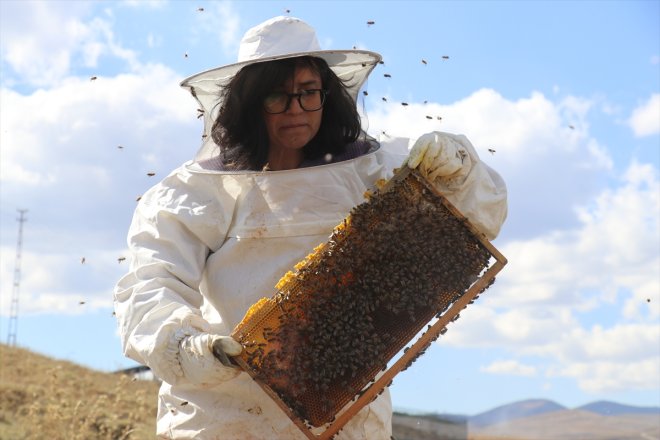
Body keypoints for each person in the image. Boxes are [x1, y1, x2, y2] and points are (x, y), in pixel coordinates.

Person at [113, 15, 507, 440]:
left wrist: (457, 169)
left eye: (307, 94)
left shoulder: (371, 171)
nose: (296, 109)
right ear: (249, 104)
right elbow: (151, 283)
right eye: (277, 98)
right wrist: (190, 349)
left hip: (344, 417)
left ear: (327, 94)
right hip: (224, 416)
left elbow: (479, 216)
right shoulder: (196, 192)